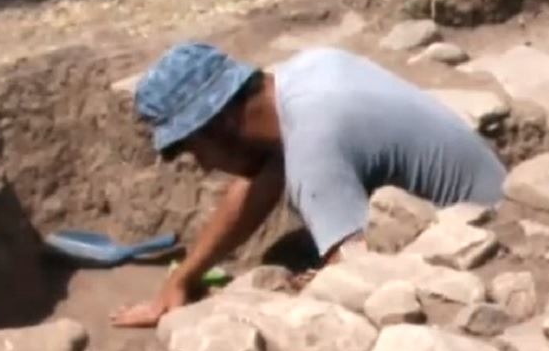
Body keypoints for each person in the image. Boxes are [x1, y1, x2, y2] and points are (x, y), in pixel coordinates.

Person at [111, 41, 507, 328]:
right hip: (498, 198)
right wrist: (183, 278)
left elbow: (358, 278)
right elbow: (258, 183)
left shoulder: (313, 146)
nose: (204, 165)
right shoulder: (307, 72)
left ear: (221, 124)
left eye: (194, 148)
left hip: (483, 246)